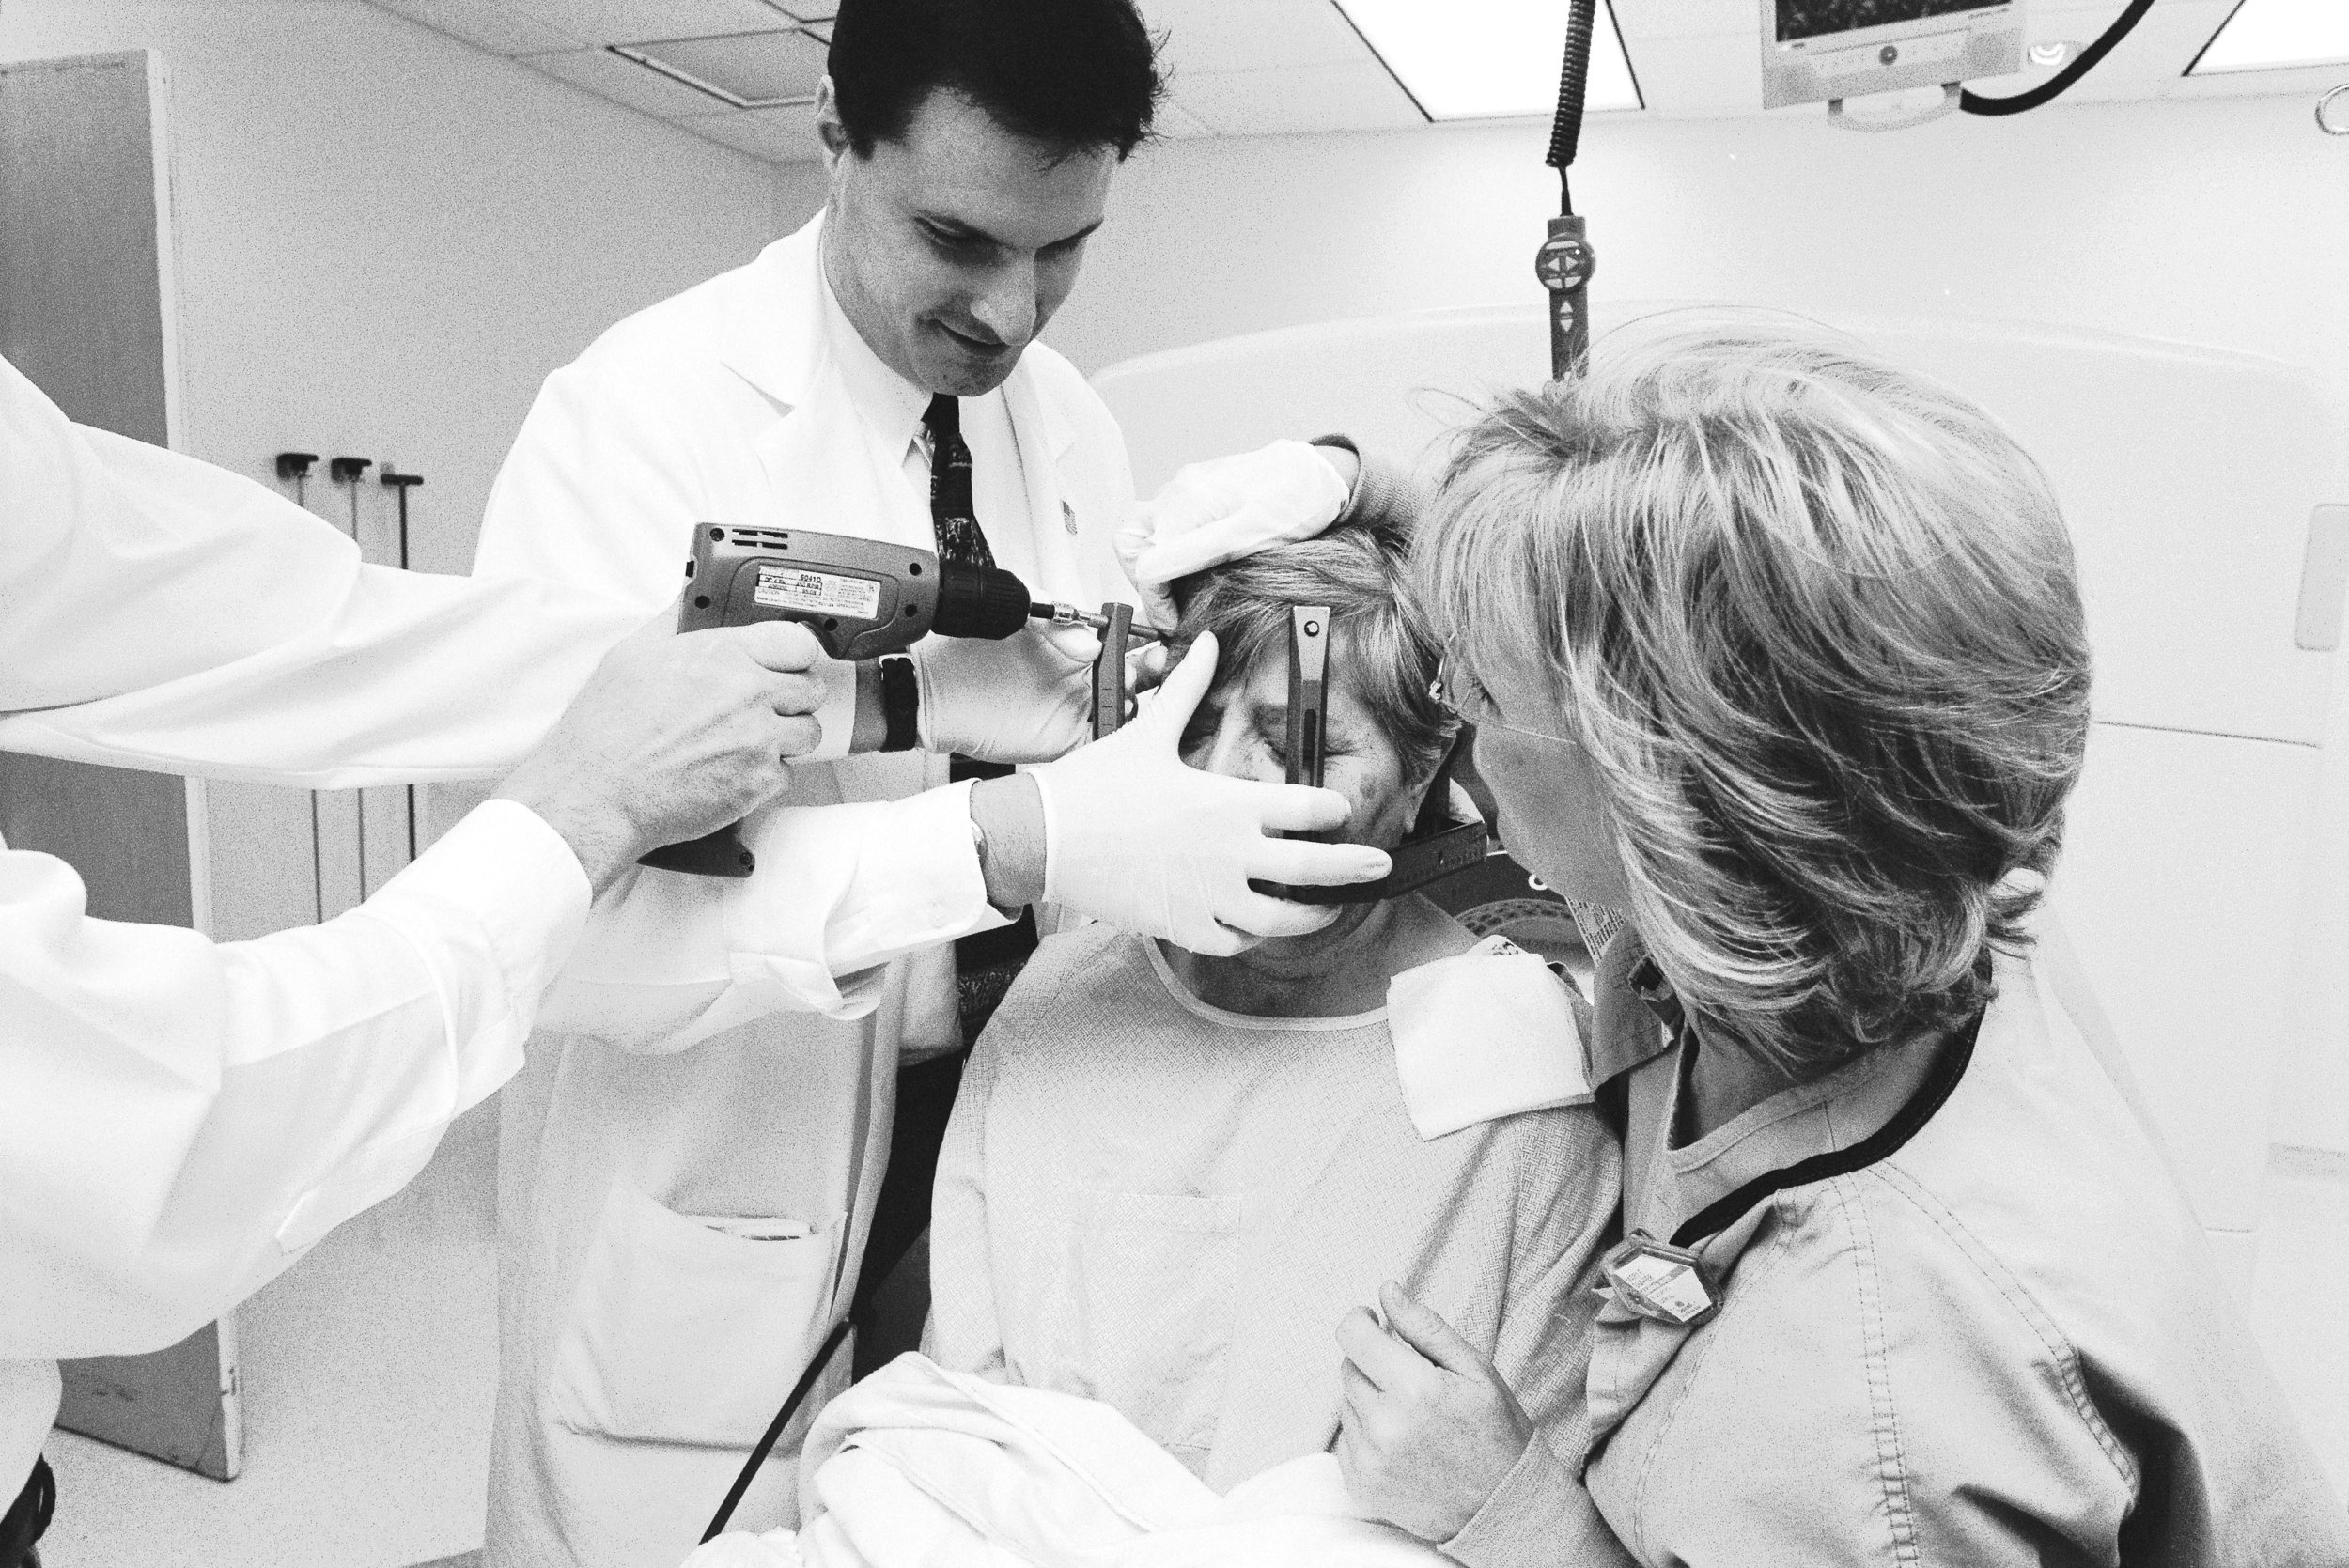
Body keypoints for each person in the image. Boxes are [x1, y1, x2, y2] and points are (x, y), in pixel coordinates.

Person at [466, 3, 1385, 1561]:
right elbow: (561, 941)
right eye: (956, 238)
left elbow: (1089, 718)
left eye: (1065, 247)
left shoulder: (1069, 422)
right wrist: (998, 840)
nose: (1011, 312)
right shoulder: (639, 425)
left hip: (999, 1173)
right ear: (836, 134)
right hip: (727, 1201)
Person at [1324, 323, 2349, 1563]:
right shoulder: (1916, 868)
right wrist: (1363, 500)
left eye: (1480, 696)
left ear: (1675, 812)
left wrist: (1511, 1513)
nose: (1451, 722)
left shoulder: (1877, 1411)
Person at [0, 353, 828, 1566]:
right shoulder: (620, 407)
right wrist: (579, 811)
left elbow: (257, 618)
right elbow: (147, 1140)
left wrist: (852, 690)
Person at [926, 503, 1617, 1560]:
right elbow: (957, 1429)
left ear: (1425, 776)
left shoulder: (1519, 1067)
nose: (1248, 785)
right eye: (1204, 730)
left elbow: (1529, 1490)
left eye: (1313, 744)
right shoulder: (1058, 1003)